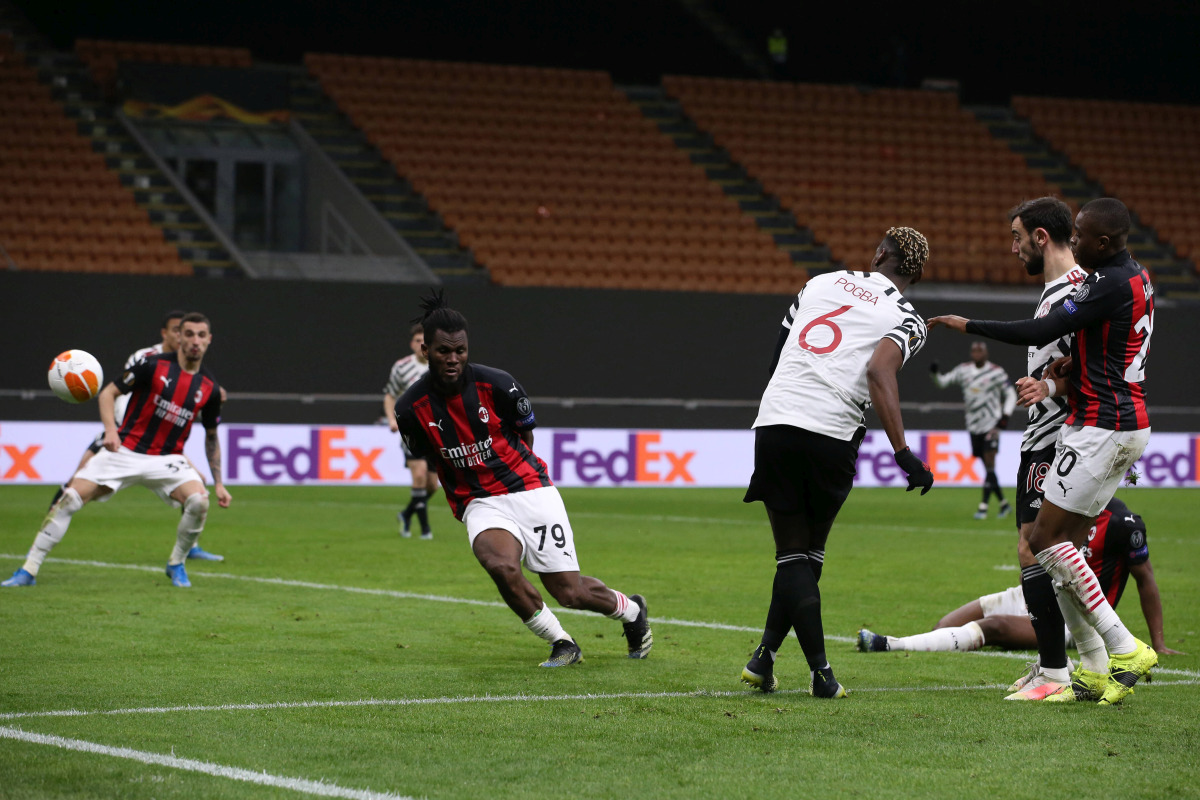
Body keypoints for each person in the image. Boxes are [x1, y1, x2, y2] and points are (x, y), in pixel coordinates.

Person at [928, 198, 1157, 705]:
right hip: (1081, 426)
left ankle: (1075, 661)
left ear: (1039, 237)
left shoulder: (1087, 288)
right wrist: (1050, 388)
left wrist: (968, 325)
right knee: (1051, 551)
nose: (1011, 247)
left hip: (1076, 434)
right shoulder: (1107, 282)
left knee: (1039, 544)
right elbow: (1081, 362)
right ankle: (1089, 666)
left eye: (1016, 237)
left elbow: (1055, 344)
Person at [393, 292, 652, 667]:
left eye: (460, 351)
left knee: (569, 591)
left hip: (530, 490)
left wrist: (510, 470)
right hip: (479, 502)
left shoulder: (498, 385)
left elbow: (526, 437)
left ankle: (632, 611)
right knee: (500, 566)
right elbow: (427, 456)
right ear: (425, 350)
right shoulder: (410, 409)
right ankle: (562, 642)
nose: (452, 359)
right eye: (442, 351)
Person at [740, 227, 936, 698]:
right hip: (831, 431)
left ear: (879, 253)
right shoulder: (908, 316)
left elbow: (779, 352)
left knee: (794, 555)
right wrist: (904, 453)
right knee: (809, 554)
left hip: (778, 418)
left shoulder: (819, 282)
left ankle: (764, 659)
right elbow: (878, 371)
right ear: (917, 274)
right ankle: (822, 674)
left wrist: (778, 405)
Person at [3, 313, 232, 589]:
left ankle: (176, 563)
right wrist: (111, 430)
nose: (195, 341)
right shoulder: (150, 365)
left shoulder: (209, 388)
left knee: (199, 501)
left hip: (167, 458)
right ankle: (28, 570)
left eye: (201, 335)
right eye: (189, 334)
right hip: (125, 451)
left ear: (209, 340)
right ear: (179, 337)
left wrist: (219, 483)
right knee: (70, 498)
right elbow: (107, 393)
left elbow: (211, 436)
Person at [857, 496, 1181, 666]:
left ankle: (889, 644)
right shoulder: (1059, 509)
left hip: (1079, 615)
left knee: (994, 627)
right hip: (1037, 591)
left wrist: (1160, 641)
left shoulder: (1124, 524)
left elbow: (1145, 579)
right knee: (945, 625)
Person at [46, 310, 225, 563]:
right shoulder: (146, 358)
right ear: (169, 333)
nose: (183, 337)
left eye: (192, 333)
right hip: (124, 430)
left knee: (198, 483)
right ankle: (49, 525)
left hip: (158, 437)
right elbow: (122, 390)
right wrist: (114, 429)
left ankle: (191, 546)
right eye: (179, 331)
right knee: (77, 480)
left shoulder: (190, 368)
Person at [929, 341, 1017, 519]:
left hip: (991, 424)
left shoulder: (996, 372)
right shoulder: (963, 371)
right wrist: (934, 374)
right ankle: (1004, 504)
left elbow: (1011, 394)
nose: (976, 353)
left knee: (990, 463)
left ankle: (983, 507)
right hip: (973, 425)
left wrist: (1005, 417)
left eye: (980, 350)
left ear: (986, 353)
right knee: (987, 467)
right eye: (974, 350)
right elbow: (943, 383)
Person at [383, 323, 439, 539]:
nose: (421, 344)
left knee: (432, 485)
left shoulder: (441, 366)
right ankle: (425, 530)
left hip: (435, 432)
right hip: (411, 431)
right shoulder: (402, 367)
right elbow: (390, 394)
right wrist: (391, 419)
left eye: (425, 340)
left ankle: (406, 514)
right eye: (417, 340)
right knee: (419, 475)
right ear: (412, 344)